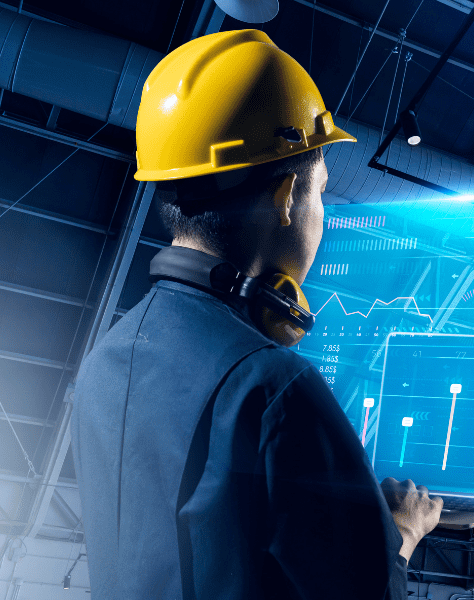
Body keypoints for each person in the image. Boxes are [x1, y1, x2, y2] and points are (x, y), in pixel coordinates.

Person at [71, 29, 441, 599]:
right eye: (321, 190)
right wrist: (400, 532)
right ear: (286, 193)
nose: (322, 212)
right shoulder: (272, 388)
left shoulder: (103, 365)